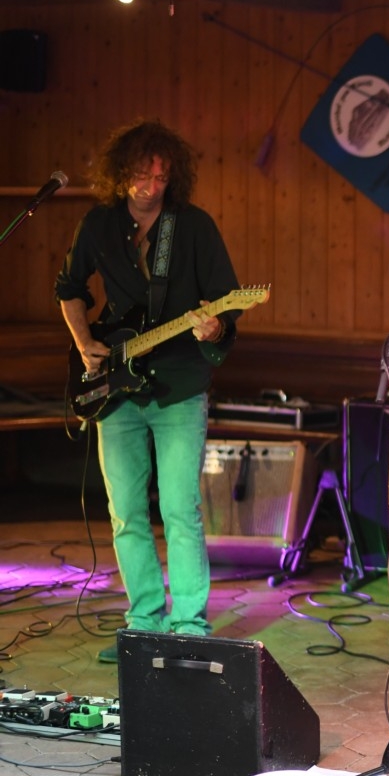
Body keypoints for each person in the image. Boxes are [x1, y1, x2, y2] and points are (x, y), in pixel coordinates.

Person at [55, 120, 240, 663]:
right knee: (126, 512)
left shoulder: (194, 227)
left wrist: (215, 327)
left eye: (161, 178)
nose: (150, 187)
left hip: (180, 385)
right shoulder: (98, 225)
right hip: (115, 389)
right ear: (121, 174)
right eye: (141, 175)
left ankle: (189, 624)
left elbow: (225, 303)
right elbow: (68, 289)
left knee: (181, 509)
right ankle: (143, 621)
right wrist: (85, 342)